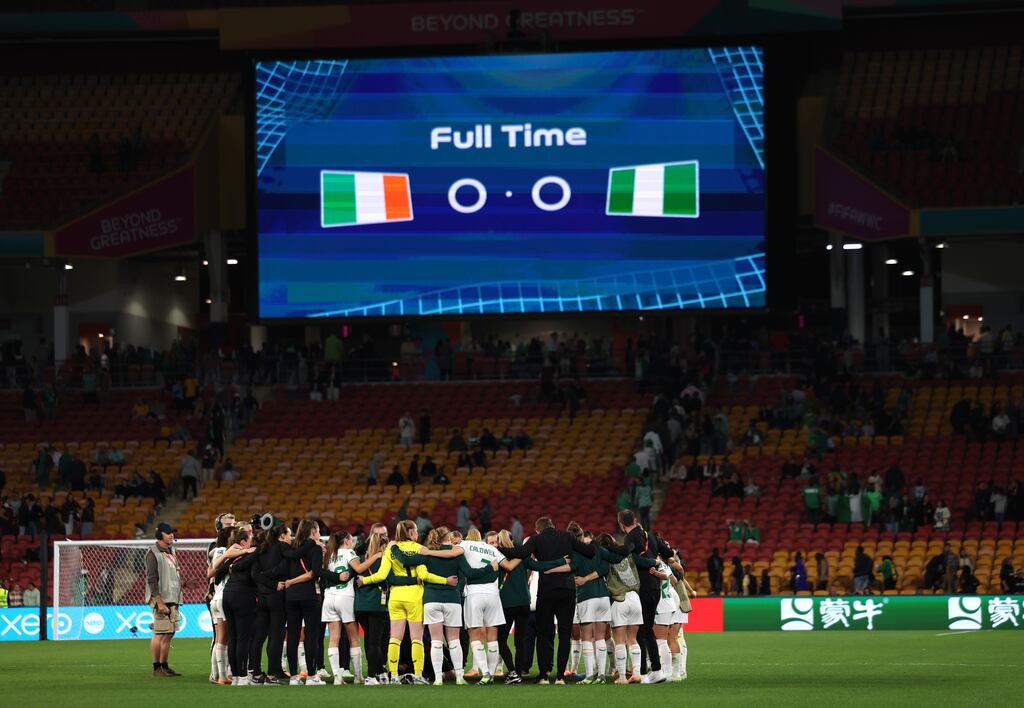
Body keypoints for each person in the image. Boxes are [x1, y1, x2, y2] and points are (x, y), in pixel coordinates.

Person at [356, 519, 458, 684]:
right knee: (416, 639)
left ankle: (394, 676)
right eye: (416, 530)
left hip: (395, 597)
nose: (417, 533)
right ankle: (418, 675)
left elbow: (382, 576)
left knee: (394, 638)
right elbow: (424, 576)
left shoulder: (390, 549)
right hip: (414, 597)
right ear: (411, 533)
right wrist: (445, 580)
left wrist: (365, 581)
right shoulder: (420, 549)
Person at [501, 515, 596, 684]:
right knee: (565, 634)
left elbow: (521, 553)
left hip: (547, 591)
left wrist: (500, 549)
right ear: (552, 525)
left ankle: (544, 675)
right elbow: (590, 551)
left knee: (544, 634)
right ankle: (560, 676)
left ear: (538, 529)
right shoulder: (567, 537)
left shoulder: (537, 539)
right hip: (567, 589)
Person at [283, 519, 327, 685]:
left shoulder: (290, 549)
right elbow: (314, 573)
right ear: (314, 532)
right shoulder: (315, 548)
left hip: (291, 596)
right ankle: (311, 676)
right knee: (311, 636)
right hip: (309, 595)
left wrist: (290, 582)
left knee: (292, 636)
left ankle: (294, 676)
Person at [250, 523, 292, 684]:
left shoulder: (260, 549)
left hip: (262, 597)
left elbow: (255, 574)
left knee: (259, 637)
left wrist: (264, 579)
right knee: (276, 636)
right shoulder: (281, 547)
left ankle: (256, 673)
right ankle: (273, 673)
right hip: (276, 596)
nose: (290, 538)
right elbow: (283, 568)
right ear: (281, 536)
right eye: (289, 534)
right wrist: (274, 583)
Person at [217, 525, 259, 685]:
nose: (253, 544)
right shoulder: (251, 554)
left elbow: (217, 573)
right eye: (250, 541)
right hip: (242, 596)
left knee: (233, 636)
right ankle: (242, 676)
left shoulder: (232, 557)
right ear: (243, 542)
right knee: (243, 637)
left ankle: (235, 676)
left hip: (227, 595)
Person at [321, 531, 361, 685]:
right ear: (346, 541)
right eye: (351, 539)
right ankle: (358, 677)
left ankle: (337, 677)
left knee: (333, 639)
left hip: (329, 597)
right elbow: (358, 568)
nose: (352, 542)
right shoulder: (348, 552)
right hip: (345, 596)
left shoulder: (328, 555)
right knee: (354, 638)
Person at [144, 523, 183, 677]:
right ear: (159, 535)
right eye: (168, 533)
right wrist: (159, 602)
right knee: (159, 633)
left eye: (172, 532)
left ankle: (164, 666)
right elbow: (151, 580)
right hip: (162, 598)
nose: (172, 535)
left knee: (169, 633)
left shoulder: (171, 550)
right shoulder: (152, 553)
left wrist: (183, 584)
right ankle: (156, 668)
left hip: (173, 597)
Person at [354, 526, 389, 685]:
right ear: (382, 546)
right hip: (377, 605)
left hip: (360, 605)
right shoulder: (384, 561)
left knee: (369, 640)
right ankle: (371, 676)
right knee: (376, 642)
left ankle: (380, 673)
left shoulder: (360, 559)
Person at [206, 527, 233, 685]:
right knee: (224, 638)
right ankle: (223, 676)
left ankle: (216, 675)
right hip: (224, 597)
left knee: (219, 638)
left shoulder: (217, 551)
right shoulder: (225, 551)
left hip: (216, 597)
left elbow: (210, 571)